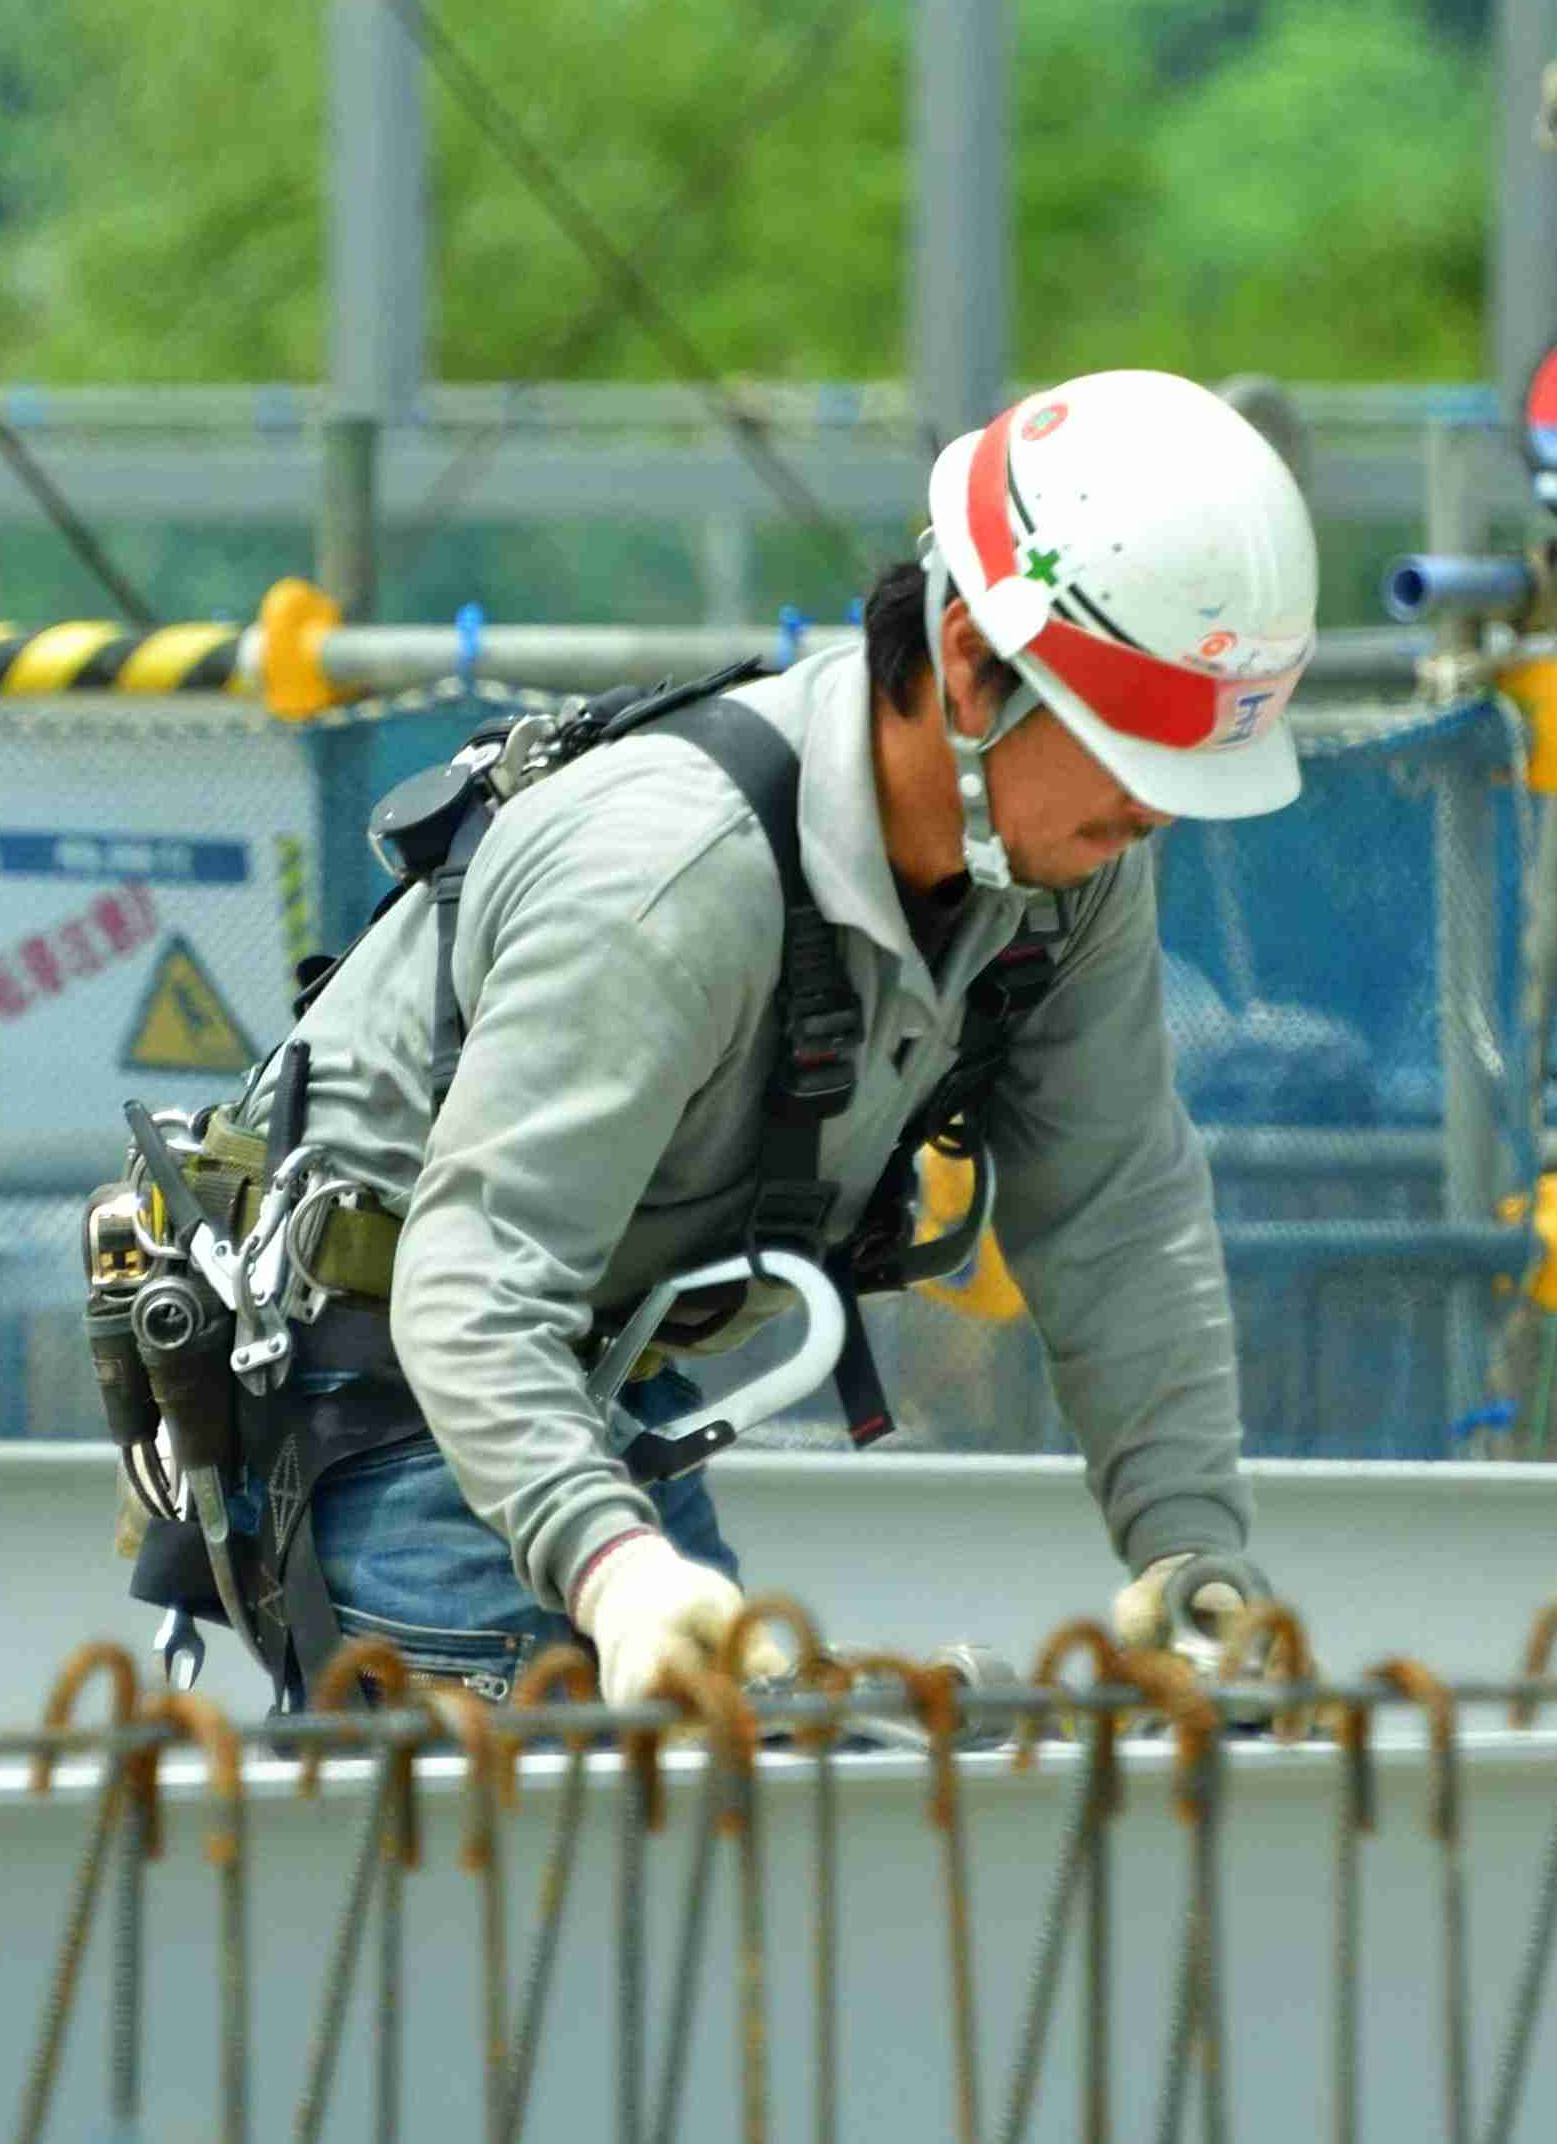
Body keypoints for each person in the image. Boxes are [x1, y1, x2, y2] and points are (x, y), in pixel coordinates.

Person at [209, 367, 1321, 1700]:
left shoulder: (1062, 866)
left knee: (730, 1803)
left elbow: (1115, 1211)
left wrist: (1188, 1551)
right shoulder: (677, 878)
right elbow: (476, 1277)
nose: (1160, 815)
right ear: (970, 662)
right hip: (389, 1386)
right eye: (1134, 754)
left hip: (592, 1362)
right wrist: (613, 1569)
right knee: (554, 1872)